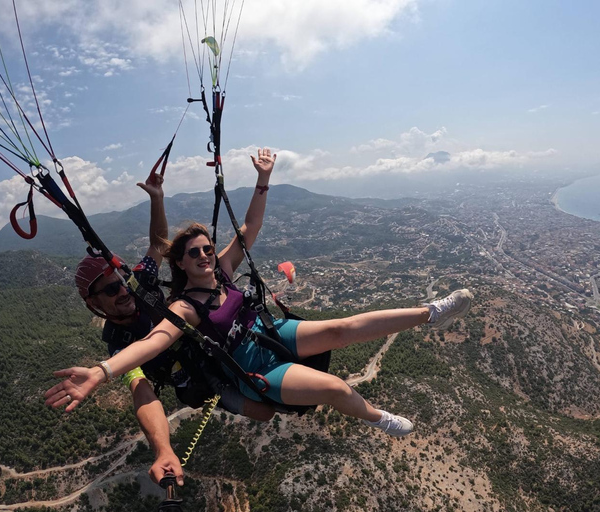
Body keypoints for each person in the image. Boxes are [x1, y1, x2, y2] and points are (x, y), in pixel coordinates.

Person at [46, 155, 473, 459]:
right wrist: (104, 373)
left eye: (207, 249)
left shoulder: (191, 274)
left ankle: (431, 311)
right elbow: (154, 346)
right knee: (311, 398)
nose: (204, 256)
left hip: (261, 333)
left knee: (341, 329)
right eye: (194, 254)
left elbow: (241, 231)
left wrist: (261, 180)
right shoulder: (171, 312)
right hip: (234, 367)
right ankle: (376, 417)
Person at [71, 148, 277, 487]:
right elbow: (142, 392)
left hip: (222, 344)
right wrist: (162, 448)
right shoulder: (118, 341)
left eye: (121, 282)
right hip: (203, 378)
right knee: (265, 410)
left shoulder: (141, 282)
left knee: (281, 388)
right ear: (94, 303)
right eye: (110, 291)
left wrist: (157, 198)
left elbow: (157, 245)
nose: (122, 291)